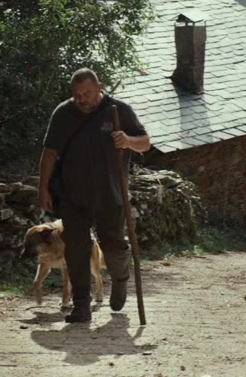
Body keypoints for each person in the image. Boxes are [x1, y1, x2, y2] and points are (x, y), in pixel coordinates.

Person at [39, 68, 150, 323]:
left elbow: (145, 142)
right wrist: (43, 187)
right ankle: (81, 305)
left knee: (113, 244)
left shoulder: (118, 111)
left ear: (99, 87)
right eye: (77, 94)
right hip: (73, 195)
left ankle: (120, 278)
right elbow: (49, 152)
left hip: (110, 192)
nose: (82, 99)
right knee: (76, 248)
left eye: (87, 93)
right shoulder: (63, 114)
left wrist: (127, 141)